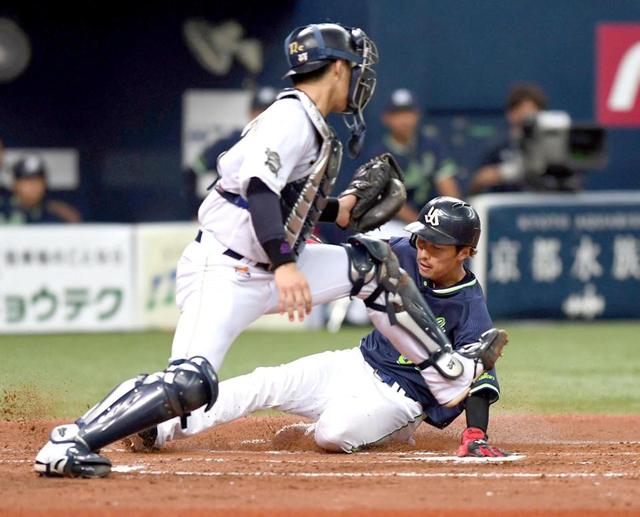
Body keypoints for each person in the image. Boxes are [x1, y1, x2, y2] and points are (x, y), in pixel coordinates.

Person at [34, 23, 506, 478]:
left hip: (264, 259)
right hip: (228, 269)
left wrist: (338, 210)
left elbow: (280, 200)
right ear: (338, 69)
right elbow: (258, 189)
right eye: (356, 67)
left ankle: (448, 374)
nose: (362, 78)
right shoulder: (291, 116)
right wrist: (284, 264)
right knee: (191, 382)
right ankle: (73, 439)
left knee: (374, 268)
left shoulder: (307, 121)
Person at [128, 197, 508, 457]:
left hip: (399, 399)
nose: (424, 252)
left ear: (466, 252)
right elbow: (352, 255)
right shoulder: (402, 252)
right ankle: (160, 428)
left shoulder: (469, 303)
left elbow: (478, 374)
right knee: (265, 382)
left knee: (333, 434)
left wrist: (476, 432)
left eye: (437, 247)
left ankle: (371, 433)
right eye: (422, 240)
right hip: (355, 364)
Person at [368, 88, 461, 237]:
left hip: (431, 220)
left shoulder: (431, 145)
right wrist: (421, 225)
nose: (403, 119)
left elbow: (447, 184)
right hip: (392, 224)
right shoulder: (379, 153)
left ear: (416, 115)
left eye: (407, 112)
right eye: (397, 114)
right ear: (386, 118)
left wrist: (454, 218)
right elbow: (391, 201)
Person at [184, 86, 278, 217]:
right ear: (250, 113)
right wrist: (196, 211)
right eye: (259, 111)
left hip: (269, 217)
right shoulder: (230, 143)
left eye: (269, 111)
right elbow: (193, 170)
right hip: (230, 217)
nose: (263, 116)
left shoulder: (283, 145)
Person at [468, 82, 547, 195]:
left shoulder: (551, 149)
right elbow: (476, 183)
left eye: (534, 115)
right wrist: (495, 175)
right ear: (511, 114)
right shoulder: (498, 148)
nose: (529, 120)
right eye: (524, 113)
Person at [0, 155, 81, 224]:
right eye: (27, 180)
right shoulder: (3, 209)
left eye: (37, 180)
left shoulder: (57, 213)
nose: (33, 186)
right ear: (15, 184)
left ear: (45, 184)